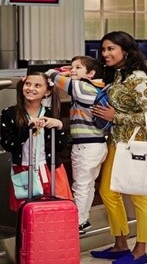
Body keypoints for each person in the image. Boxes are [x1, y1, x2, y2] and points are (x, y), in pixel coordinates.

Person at [89, 31, 147, 264]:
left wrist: (116, 116)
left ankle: (141, 250)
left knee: (140, 197)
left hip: (136, 144)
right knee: (108, 193)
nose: (105, 53)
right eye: (103, 49)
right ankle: (121, 244)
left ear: (126, 51)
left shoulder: (137, 77)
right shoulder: (118, 75)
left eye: (111, 49)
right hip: (117, 142)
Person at [47, 56, 107, 235]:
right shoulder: (98, 87)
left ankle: (78, 223)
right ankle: (84, 219)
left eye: (78, 67)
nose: (73, 70)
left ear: (91, 73)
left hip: (86, 146)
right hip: (97, 145)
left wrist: (57, 72)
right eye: (72, 67)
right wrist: (73, 71)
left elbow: (52, 76)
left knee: (80, 185)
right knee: (88, 185)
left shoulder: (82, 87)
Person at [0, 72, 73, 212]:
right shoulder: (9, 113)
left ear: (47, 91)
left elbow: (61, 147)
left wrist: (59, 126)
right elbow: (7, 144)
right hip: (23, 169)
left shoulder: (51, 113)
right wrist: (28, 129)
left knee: (55, 212)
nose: (31, 88)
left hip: (50, 169)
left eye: (37, 85)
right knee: (28, 213)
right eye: (28, 84)